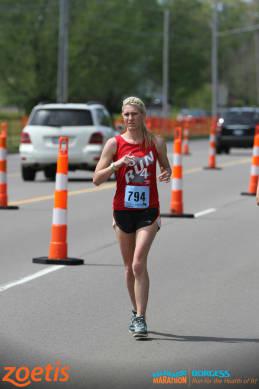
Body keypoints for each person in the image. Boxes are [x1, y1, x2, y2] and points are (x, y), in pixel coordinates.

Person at [93, 96, 171, 338]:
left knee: (138, 263)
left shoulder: (155, 142)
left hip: (149, 210)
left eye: (134, 114)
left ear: (143, 116)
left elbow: (166, 167)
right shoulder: (114, 144)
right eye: (126, 114)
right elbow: (96, 179)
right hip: (123, 210)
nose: (129, 118)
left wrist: (166, 173)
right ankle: (135, 310)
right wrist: (116, 165)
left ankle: (141, 318)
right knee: (128, 268)